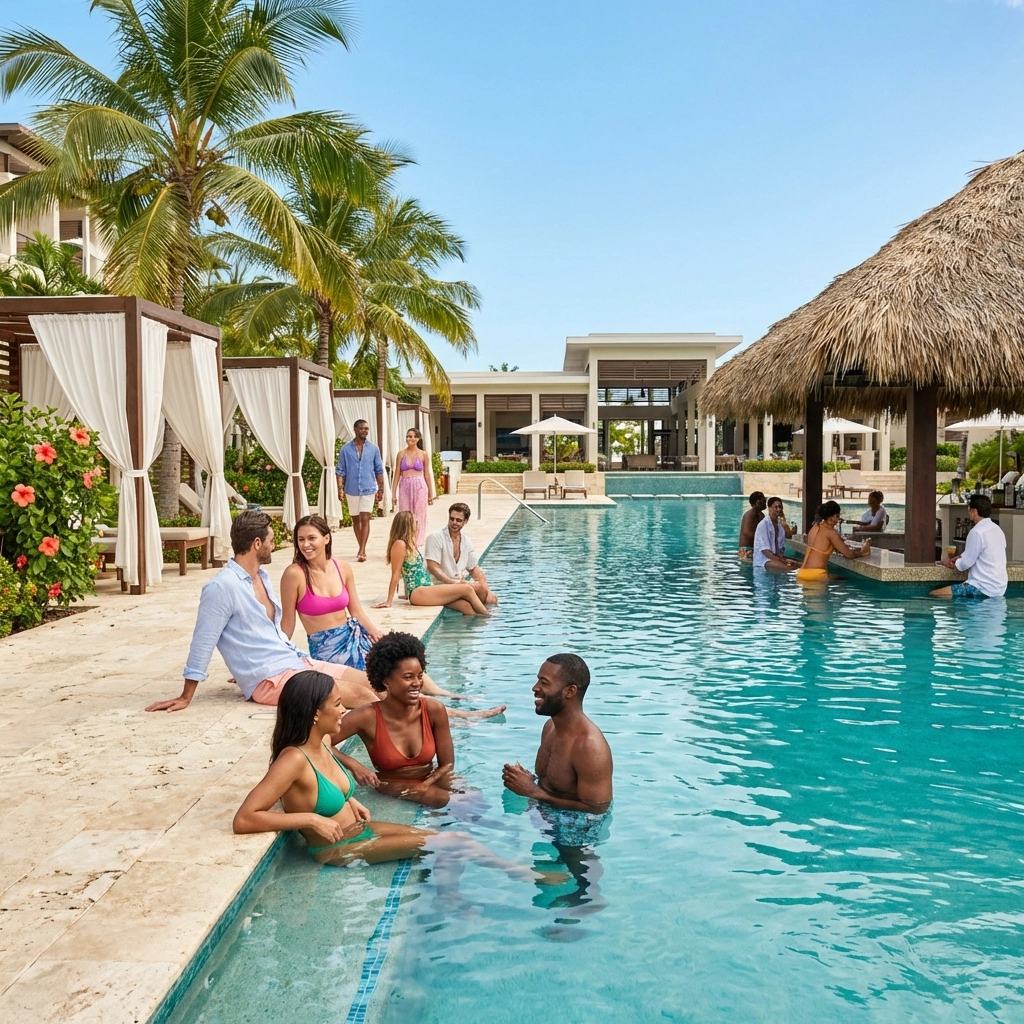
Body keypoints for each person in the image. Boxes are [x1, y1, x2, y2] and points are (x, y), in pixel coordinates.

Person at [232, 671, 564, 891]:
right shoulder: (293, 759)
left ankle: (449, 899)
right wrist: (311, 819)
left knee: (446, 841)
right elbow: (245, 819)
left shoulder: (320, 743)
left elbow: (326, 787)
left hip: (360, 830)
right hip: (338, 849)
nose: (343, 710)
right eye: (337, 705)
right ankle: (524, 875)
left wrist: (348, 799)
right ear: (315, 713)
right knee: (449, 844)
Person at [146, 510, 458, 713]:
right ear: (257, 543)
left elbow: (268, 633)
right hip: (269, 678)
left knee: (372, 681)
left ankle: (445, 711)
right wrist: (187, 695)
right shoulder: (222, 587)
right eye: (271, 540)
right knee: (360, 697)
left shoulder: (262, 578)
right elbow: (203, 640)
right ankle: (437, 718)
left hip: (295, 661)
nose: (276, 544)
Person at [332, 632, 461, 807]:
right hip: (391, 783)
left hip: (430, 777)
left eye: (420, 676)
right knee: (442, 799)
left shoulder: (434, 709)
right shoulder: (366, 717)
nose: (417, 683)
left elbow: (447, 765)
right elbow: (317, 742)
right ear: (386, 681)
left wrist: (426, 784)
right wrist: (353, 765)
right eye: (408, 677)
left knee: (472, 799)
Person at [502, 654, 613, 818]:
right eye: (538, 680)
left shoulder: (589, 746)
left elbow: (597, 809)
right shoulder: (550, 727)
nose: (535, 688)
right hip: (543, 813)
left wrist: (533, 792)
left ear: (570, 691)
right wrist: (526, 781)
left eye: (544, 682)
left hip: (576, 831)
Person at [280, 515, 383, 671]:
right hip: (327, 651)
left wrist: (375, 632)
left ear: (326, 538)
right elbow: (287, 623)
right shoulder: (294, 574)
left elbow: (356, 611)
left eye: (311, 538)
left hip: (353, 637)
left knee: (401, 661)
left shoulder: (342, 567)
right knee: (374, 681)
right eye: (301, 539)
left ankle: (433, 693)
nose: (305, 544)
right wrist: (268, 660)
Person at [374, 511, 490, 616]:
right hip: (418, 591)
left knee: (466, 607)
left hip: (427, 589)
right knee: (467, 589)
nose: (417, 524)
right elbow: (395, 574)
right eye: (415, 522)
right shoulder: (399, 544)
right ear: (407, 525)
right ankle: (488, 617)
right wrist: (389, 601)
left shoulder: (409, 545)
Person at [931, 494, 1007, 598]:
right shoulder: (997, 529)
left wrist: (951, 562)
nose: (968, 512)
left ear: (974, 511)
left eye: (969, 509)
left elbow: (965, 564)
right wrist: (960, 558)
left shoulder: (976, 532)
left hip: (982, 587)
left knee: (934, 594)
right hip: (999, 588)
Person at [424, 502, 499, 605]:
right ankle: (485, 616)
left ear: (466, 521)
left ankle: (486, 617)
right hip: (439, 585)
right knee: (473, 600)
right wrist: (452, 582)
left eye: (458, 520)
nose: (454, 522)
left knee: (486, 593)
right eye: (452, 519)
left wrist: (487, 591)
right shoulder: (435, 537)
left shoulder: (466, 541)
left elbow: (474, 568)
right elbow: (433, 567)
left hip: (458, 586)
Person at [336, 419, 384, 563]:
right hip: (351, 488)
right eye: (362, 428)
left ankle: (362, 550)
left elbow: (379, 470)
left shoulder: (374, 449)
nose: (365, 431)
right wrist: (340, 489)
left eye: (367, 429)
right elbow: (340, 470)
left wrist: (380, 489)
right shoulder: (345, 449)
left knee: (365, 518)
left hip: (368, 487)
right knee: (356, 519)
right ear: (355, 429)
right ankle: (360, 546)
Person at [796, 500, 871, 582]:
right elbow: (849, 554)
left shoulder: (815, 527)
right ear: (831, 517)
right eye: (837, 516)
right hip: (816, 575)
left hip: (802, 573)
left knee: (839, 579)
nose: (838, 520)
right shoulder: (831, 532)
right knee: (848, 582)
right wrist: (863, 552)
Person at [392, 427, 433, 547]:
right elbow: (397, 474)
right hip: (405, 484)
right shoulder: (401, 454)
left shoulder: (423, 454)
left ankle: (417, 541)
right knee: (405, 513)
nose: (410, 438)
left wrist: (430, 493)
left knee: (419, 514)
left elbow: (427, 474)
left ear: (417, 438)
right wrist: (393, 493)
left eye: (412, 436)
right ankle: (405, 539)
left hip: (420, 485)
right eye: (408, 436)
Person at [753, 497, 800, 570]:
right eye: (776, 507)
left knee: (800, 564)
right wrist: (782, 561)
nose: (779, 509)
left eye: (780, 507)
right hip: (764, 559)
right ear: (769, 508)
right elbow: (765, 551)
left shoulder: (780, 524)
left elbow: (789, 536)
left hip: (776, 557)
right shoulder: (763, 524)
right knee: (789, 568)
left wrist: (783, 519)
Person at [738, 492, 766, 559]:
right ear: (758, 502)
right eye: (764, 501)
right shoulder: (749, 515)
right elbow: (747, 532)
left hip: (755, 549)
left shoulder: (761, 516)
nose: (765, 503)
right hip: (746, 550)